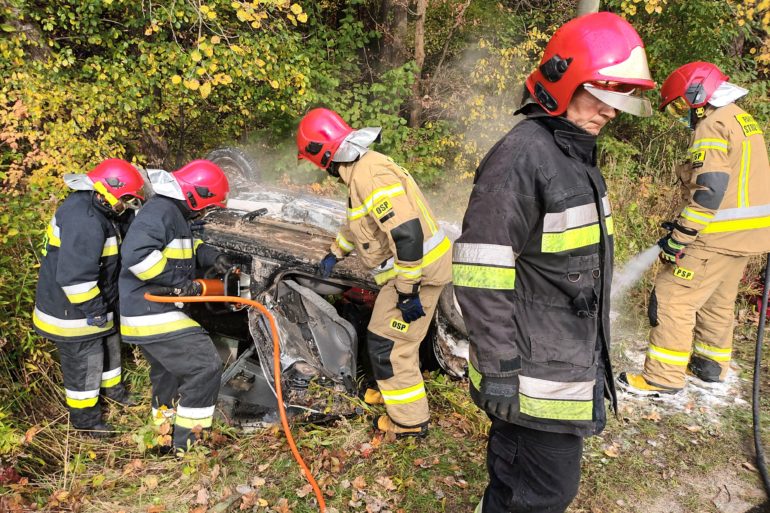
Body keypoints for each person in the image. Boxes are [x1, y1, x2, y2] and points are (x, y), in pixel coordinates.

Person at [452, 12, 655, 512]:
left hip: (560, 358)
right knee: (539, 495)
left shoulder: (573, 155)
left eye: (619, 100)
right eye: (601, 96)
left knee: (527, 489)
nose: (611, 112)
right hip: (529, 368)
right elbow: (481, 268)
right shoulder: (523, 155)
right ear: (563, 82)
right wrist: (499, 367)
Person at [296, 108, 452, 437]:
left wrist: (408, 292)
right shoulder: (361, 173)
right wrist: (334, 254)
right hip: (411, 274)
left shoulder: (369, 174)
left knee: (389, 346)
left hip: (417, 275)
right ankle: (395, 396)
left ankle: (409, 424)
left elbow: (407, 236)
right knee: (384, 337)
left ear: (322, 154)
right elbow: (358, 224)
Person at [619, 62, 770, 395]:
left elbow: (710, 190)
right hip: (746, 237)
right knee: (718, 300)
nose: (681, 113)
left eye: (679, 104)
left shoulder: (712, 125)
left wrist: (681, 236)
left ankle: (662, 377)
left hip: (714, 236)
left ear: (698, 94)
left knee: (673, 298)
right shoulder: (741, 119)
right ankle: (711, 364)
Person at [119, 160, 232, 452]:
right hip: (150, 310)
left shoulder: (172, 213)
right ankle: (189, 448)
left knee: (167, 375)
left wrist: (210, 256)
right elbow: (137, 256)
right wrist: (180, 283)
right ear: (196, 195)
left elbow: (184, 247)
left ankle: (162, 439)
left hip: (150, 311)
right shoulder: (160, 212)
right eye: (207, 205)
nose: (206, 212)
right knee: (205, 366)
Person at [33, 159, 145, 437]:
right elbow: (75, 278)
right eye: (125, 199)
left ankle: (113, 391)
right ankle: (86, 421)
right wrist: (95, 310)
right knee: (86, 362)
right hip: (71, 310)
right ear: (105, 192)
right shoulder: (84, 220)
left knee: (109, 345)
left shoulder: (100, 209)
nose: (126, 205)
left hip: (95, 300)